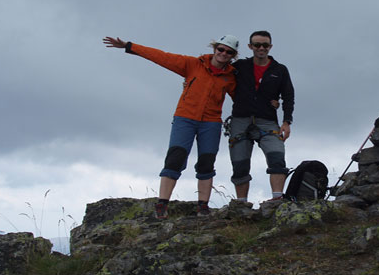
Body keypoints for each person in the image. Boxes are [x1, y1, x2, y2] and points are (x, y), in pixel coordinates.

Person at [103, 35, 238, 218]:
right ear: (214, 48)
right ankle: (162, 205)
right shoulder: (192, 64)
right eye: (220, 49)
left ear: (233, 55)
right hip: (185, 118)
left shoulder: (230, 76)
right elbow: (161, 56)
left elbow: (243, 97)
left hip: (211, 123)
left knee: (206, 163)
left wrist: (270, 104)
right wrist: (129, 46)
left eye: (228, 52)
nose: (223, 53)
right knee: (175, 158)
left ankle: (203, 207)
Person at [228, 30, 294, 201]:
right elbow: (216, 74)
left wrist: (287, 121)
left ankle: (277, 199)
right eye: (257, 45)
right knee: (240, 164)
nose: (261, 48)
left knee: (277, 158)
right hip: (240, 119)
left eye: (265, 45)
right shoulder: (239, 67)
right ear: (250, 47)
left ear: (270, 46)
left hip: (268, 120)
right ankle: (241, 206)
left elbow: (288, 96)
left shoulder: (280, 70)